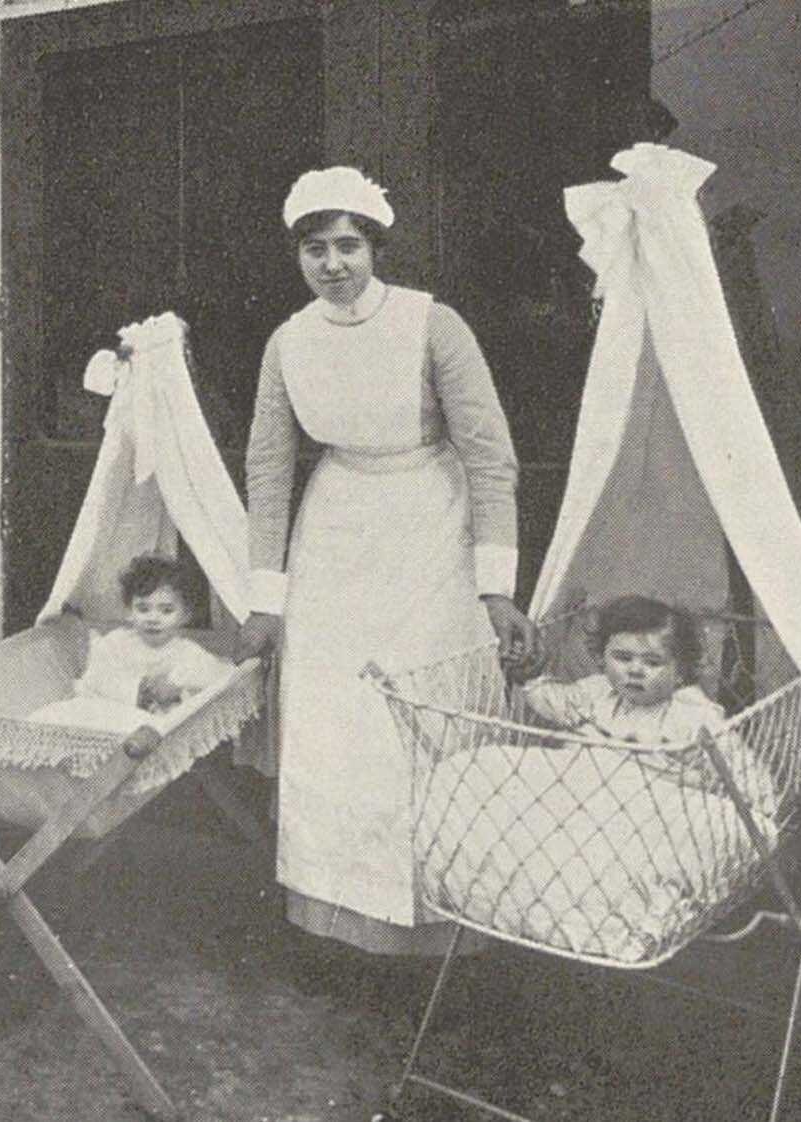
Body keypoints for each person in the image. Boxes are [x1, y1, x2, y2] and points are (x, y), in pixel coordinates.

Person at [242, 167, 542, 955]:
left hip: (430, 529)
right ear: (298, 257)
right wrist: (265, 599)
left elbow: (489, 456)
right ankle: (335, 926)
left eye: (348, 246)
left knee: (418, 720)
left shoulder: (432, 324)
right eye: (315, 249)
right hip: (335, 532)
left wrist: (496, 588)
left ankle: (445, 927)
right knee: (336, 725)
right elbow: (270, 471)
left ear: (375, 248)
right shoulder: (288, 342)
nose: (332, 264)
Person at [520, 595, 721, 744]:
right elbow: (554, 702)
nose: (635, 670)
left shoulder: (691, 711)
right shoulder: (597, 692)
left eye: (652, 663)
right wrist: (529, 677)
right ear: (602, 658)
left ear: (680, 672)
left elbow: (732, 761)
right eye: (623, 658)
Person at [68, 554, 231, 717]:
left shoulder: (188, 652)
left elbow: (217, 676)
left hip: (161, 727)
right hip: (117, 717)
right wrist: (136, 690)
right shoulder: (116, 643)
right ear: (129, 611)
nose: (153, 619)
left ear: (185, 616)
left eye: (166, 610)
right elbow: (96, 677)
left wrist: (177, 687)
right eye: (143, 609)